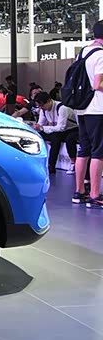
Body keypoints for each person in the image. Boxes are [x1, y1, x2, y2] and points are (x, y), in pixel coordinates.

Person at [74, 21, 103, 207]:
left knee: (83, 149)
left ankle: (79, 192)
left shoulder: (83, 52)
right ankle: (95, 194)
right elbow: (98, 84)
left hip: (82, 108)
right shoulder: (101, 54)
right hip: (98, 109)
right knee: (99, 151)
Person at [29, 91, 78, 174]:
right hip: (57, 130)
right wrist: (36, 127)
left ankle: (66, 164)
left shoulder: (62, 108)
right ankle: (37, 162)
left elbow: (61, 127)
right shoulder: (43, 110)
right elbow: (41, 124)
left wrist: (42, 128)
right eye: (39, 106)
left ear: (48, 101)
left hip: (71, 129)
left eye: (42, 105)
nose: (40, 108)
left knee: (61, 138)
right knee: (38, 135)